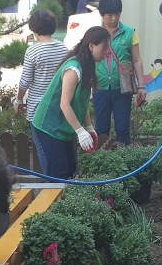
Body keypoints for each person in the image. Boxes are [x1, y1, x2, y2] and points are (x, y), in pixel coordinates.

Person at [31, 26, 111, 179]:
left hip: (63, 128)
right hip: (48, 127)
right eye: (104, 47)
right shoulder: (73, 69)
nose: (107, 51)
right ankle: (52, 202)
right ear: (91, 46)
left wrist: (89, 128)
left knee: (71, 170)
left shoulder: (88, 66)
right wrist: (80, 131)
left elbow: (81, 102)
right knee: (58, 173)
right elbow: (65, 104)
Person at [16, 9, 69, 170]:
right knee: (59, 146)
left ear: (34, 29)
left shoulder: (33, 50)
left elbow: (25, 82)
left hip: (38, 108)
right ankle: (64, 179)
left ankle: (51, 184)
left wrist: (18, 99)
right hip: (59, 106)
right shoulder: (64, 49)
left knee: (42, 148)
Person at [94, 0, 146, 145]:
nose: (114, 18)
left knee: (123, 128)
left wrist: (141, 86)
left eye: (117, 14)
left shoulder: (130, 33)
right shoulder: (95, 34)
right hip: (100, 87)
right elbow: (87, 59)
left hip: (123, 88)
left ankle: (126, 160)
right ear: (102, 14)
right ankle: (101, 161)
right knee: (101, 128)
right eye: (109, 15)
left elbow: (136, 60)